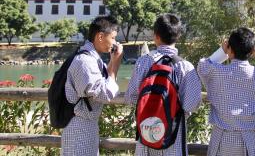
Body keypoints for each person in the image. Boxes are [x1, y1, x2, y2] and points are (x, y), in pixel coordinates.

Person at [125, 13, 202, 155]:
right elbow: (191, 105)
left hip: (146, 137)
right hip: (173, 138)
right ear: (178, 36)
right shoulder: (185, 67)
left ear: (156, 36)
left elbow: (130, 98)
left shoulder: (143, 62)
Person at [197, 27, 255, 156]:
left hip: (220, 140)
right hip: (248, 141)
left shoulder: (218, 72)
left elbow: (202, 66)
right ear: (253, 51)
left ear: (229, 49)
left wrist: (222, 52)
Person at [61, 16, 123, 156]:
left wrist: (112, 62)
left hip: (84, 127)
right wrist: (116, 64)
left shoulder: (90, 57)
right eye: (113, 38)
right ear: (100, 36)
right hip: (79, 129)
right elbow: (104, 94)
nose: (115, 42)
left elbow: (101, 82)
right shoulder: (85, 61)